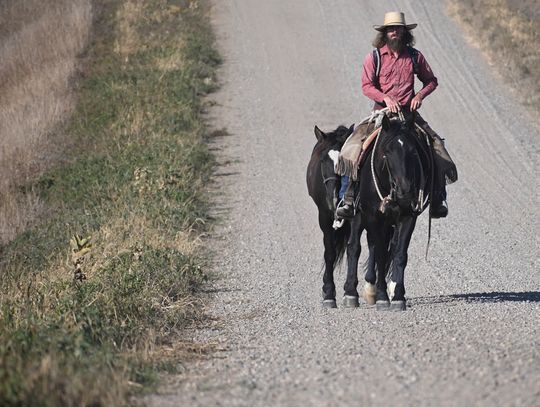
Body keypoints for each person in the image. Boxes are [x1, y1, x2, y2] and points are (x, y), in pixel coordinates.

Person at [336, 11, 457, 219]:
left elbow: (431, 81)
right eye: (391, 29)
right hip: (381, 114)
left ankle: (438, 198)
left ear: (404, 32)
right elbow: (367, 86)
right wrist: (386, 99)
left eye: (398, 29)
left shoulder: (415, 57)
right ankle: (347, 199)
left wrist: (419, 95)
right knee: (353, 146)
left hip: (409, 116)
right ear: (384, 33)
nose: (395, 32)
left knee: (436, 144)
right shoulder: (373, 57)